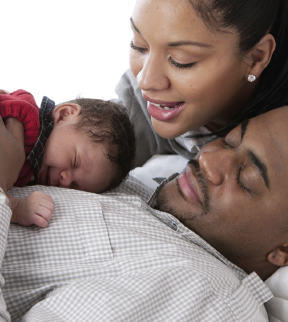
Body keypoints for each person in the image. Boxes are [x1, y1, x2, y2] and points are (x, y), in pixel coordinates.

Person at [0, 107, 288, 321]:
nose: (207, 158)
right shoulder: (147, 192)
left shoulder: (209, 300)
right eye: (229, 140)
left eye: (246, 177)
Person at [115, 0, 288, 170]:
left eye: (181, 61)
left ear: (256, 58)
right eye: (139, 46)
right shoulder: (136, 104)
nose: (145, 81)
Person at [0, 89, 136, 227]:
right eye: (75, 161)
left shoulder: (34, 172)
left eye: (74, 186)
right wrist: (15, 207)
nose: (65, 181)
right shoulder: (26, 116)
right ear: (64, 114)